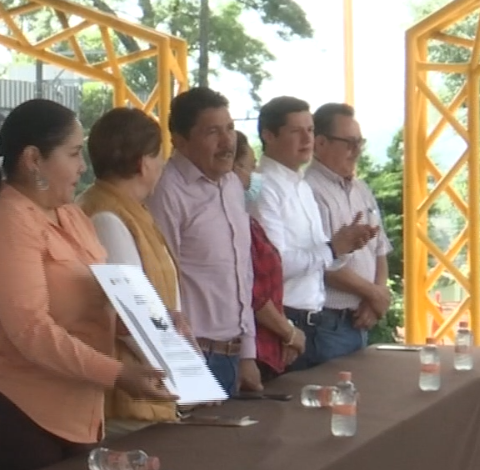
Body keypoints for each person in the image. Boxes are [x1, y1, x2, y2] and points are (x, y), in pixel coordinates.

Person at [0, 99, 173, 470]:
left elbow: (104, 297)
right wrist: (118, 373)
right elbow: (32, 331)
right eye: (74, 153)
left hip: (78, 411)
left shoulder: (70, 214)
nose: (83, 167)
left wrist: (160, 330)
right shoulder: (6, 221)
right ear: (33, 159)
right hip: (21, 413)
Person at [147, 87, 259, 395]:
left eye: (230, 129)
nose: (227, 142)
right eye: (212, 132)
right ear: (180, 141)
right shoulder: (166, 191)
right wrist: (182, 359)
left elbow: (243, 272)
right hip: (193, 354)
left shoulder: (232, 184)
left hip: (233, 353)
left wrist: (247, 353)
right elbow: (159, 283)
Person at [251, 96, 376, 370]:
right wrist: (332, 248)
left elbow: (322, 257)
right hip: (285, 322)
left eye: (310, 130)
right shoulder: (262, 187)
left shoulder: (301, 185)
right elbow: (273, 266)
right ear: (269, 136)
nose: (307, 139)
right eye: (296, 131)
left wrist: (347, 245)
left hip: (314, 321)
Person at [79, 107, 182, 434]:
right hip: (131, 394)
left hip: (150, 382)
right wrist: (179, 369)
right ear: (142, 163)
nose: (162, 164)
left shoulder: (131, 209)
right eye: (159, 156)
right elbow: (129, 314)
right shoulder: (107, 217)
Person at [306, 102, 393, 350]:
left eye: (360, 142)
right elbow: (323, 262)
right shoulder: (309, 190)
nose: (357, 151)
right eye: (349, 143)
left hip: (362, 318)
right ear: (320, 143)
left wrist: (376, 298)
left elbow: (380, 249)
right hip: (328, 323)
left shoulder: (361, 189)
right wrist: (374, 294)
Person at [231, 132, 304, 380]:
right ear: (234, 169)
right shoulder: (235, 226)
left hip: (270, 347)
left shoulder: (248, 222)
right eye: (251, 167)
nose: (255, 176)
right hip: (252, 353)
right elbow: (254, 294)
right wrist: (289, 333)